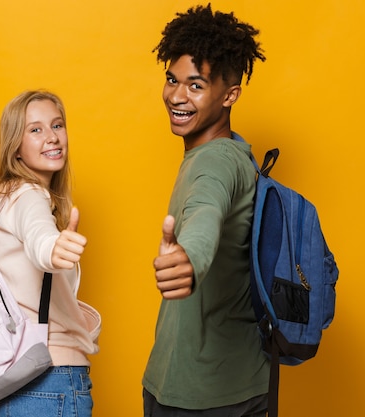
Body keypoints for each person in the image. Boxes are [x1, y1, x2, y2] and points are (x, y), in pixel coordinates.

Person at [142, 5, 270, 417]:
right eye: (171, 80)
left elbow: (205, 214)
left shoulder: (214, 163)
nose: (177, 96)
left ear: (229, 94)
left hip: (203, 396)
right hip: (239, 382)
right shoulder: (238, 155)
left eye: (195, 86)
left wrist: (189, 259)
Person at [0, 90, 101, 417]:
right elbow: (40, 238)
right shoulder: (29, 194)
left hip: (2, 379)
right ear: (15, 145)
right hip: (47, 378)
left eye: (57, 125)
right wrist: (54, 248)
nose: (52, 137)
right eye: (35, 129)